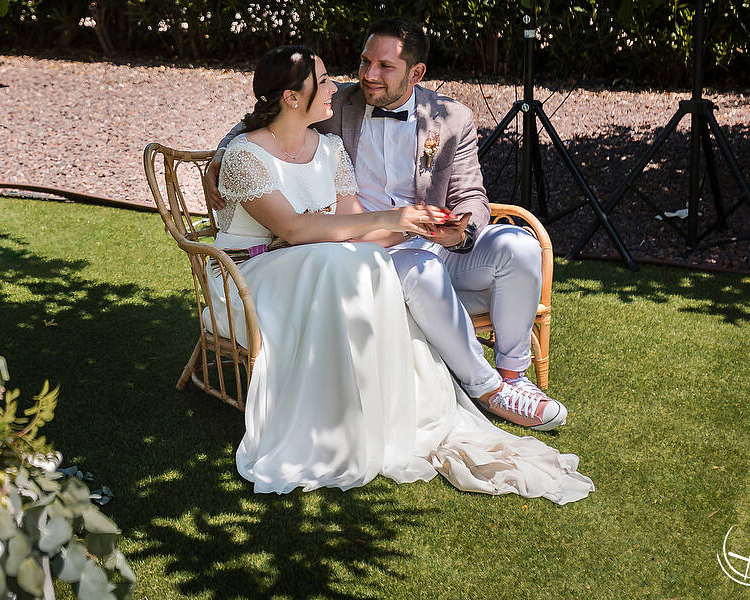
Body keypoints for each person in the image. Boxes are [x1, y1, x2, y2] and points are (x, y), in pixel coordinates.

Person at [207, 44, 592, 501]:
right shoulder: (261, 147)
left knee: (510, 247)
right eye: (329, 77)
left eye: (383, 66)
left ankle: (499, 383)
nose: (352, 79)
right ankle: (465, 392)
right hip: (252, 274)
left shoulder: (338, 144)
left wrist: (434, 226)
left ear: (415, 72)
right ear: (294, 97)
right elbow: (290, 222)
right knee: (355, 262)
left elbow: (382, 220)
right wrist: (220, 155)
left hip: (345, 257)